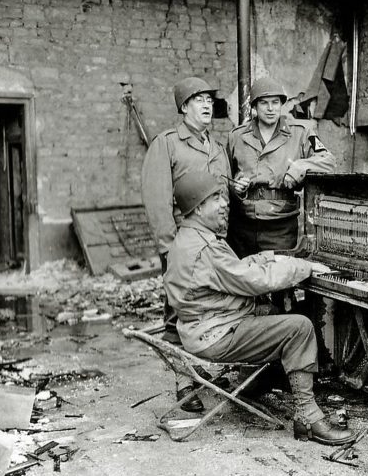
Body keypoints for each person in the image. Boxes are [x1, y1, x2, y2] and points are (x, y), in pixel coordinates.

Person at [164, 170, 356, 446]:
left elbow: (234, 271)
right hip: (216, 336)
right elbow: (254, 281)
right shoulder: (205, 249)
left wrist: (273, 257)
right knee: (299, 327)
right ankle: (308, 418)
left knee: (273, 313)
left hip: (199, 329)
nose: (223, 205)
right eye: (215, 199)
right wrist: (303, 267)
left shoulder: (186, 240)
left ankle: (251, 384)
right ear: (197, 208)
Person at [141, 77, 230, 413]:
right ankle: (184, 381)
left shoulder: (218, 149)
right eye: (198, 99)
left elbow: (224, 199)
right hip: (184, 247)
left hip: (215, 246)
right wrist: (169, 251)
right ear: (183, 107)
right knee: (177, 314)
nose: (206, 105)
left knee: (209, 311)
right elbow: (157, 202)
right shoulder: (166, 144)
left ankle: (204, 370)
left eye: (209, 99)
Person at [226, 76, 336, 258]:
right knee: (244, 282)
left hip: (281, 226)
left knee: (279, 281)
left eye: (275, 102)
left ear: (281, 104)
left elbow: (329, 161)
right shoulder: (236, 137)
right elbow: (226, 177)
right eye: (264, 103)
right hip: (242, 225)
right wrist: (236, 187)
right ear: (254, 106)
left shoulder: (300, 132)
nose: (271, 109)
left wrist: (301, 167)